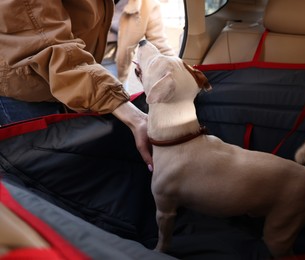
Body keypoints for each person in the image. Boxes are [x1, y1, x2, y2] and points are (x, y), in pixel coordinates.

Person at [0, 0, 153, 171]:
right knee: (46, 174)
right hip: (26, 92)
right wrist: (134, 116)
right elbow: (45, 41)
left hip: (75, 82)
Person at [114, 0, 175, 82]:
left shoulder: (149, 5)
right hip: (91, 61)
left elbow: (160, 45)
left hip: (118, 69)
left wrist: (177, 69)